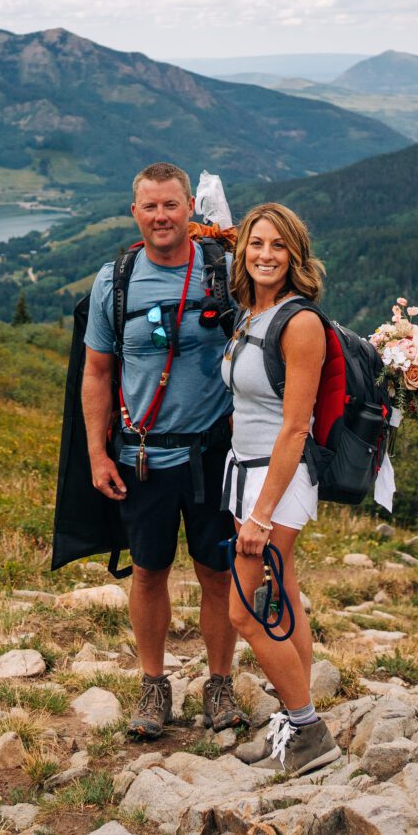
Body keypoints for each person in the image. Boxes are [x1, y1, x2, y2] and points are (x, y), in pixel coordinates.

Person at [82, 162, 245, 738]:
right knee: (149, 573)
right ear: (135, 212)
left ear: (188, 209)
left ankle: (220, 687)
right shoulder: (116, 280)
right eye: (149, 207)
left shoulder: (223, 272)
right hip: (142, 457)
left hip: (212, 456)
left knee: (217, 575)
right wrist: (97, 455)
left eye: (171, 205)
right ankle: (154, 688)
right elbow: (97, 372)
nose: (160, 217)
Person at [221, 202, 341, 775]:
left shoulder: (300, 324)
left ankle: (308, 728)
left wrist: (259, 516)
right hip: (249, 474)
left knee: (245, 612)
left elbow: (295, 427)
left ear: (295, 254)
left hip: (276, 483)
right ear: (243, 249)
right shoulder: (251, 312)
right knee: (284, 594)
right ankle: (296, 721)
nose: (265, 255)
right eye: (256, 243)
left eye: (278, 245)